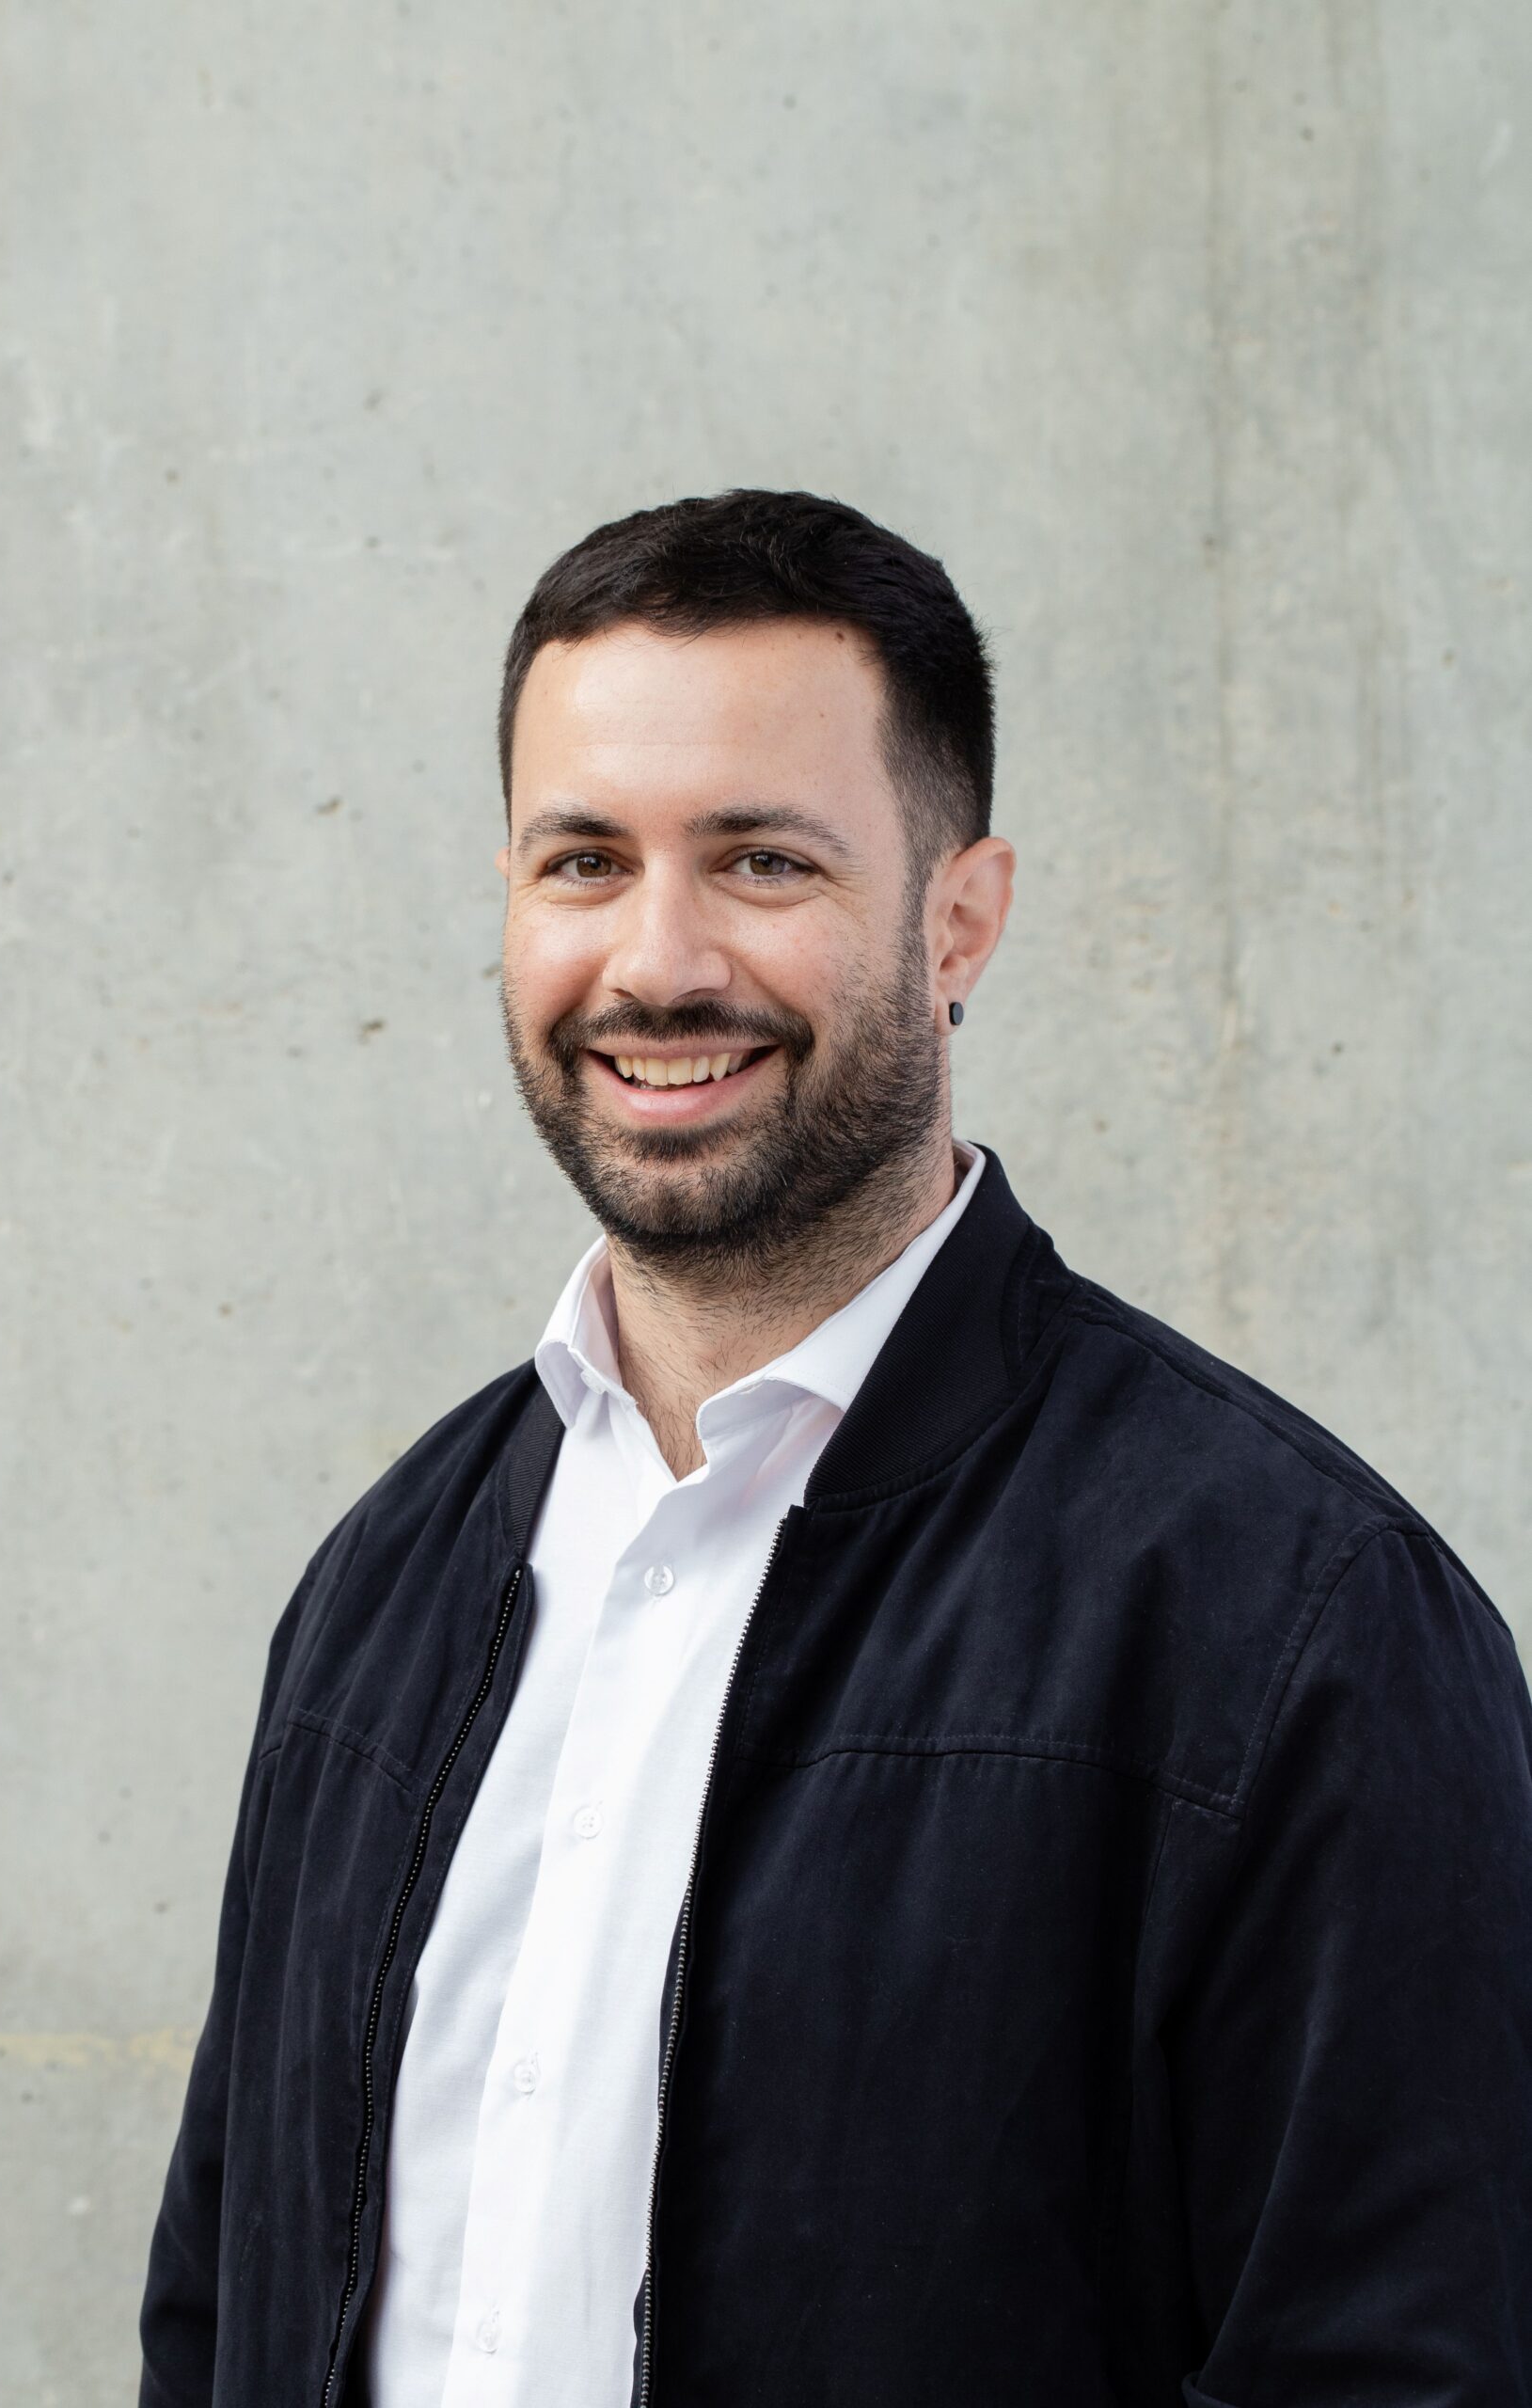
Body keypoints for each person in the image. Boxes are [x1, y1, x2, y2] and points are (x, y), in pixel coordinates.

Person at [139, 490, 1532, 2408]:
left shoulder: (1295, 1625)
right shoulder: (380, 1590)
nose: (655, 962)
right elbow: (216, 2322)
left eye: (762, 861)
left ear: (960, 917)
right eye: (582, 860)